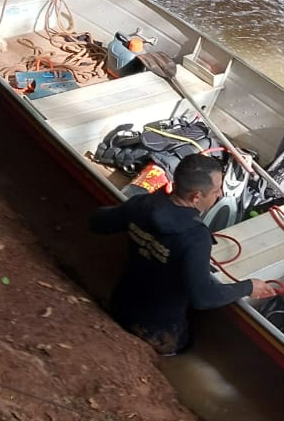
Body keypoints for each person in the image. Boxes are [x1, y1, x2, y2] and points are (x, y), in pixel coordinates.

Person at [88, 152, 267, 356]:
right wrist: (249, 286)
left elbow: (97, 223)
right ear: (196, 196)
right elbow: (203, 298)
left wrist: (139, 227)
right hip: (158, 334)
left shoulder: (142, 204)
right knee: (190, 343)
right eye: (216, 191)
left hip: (120, 308)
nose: (220, 195)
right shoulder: (196, 237)